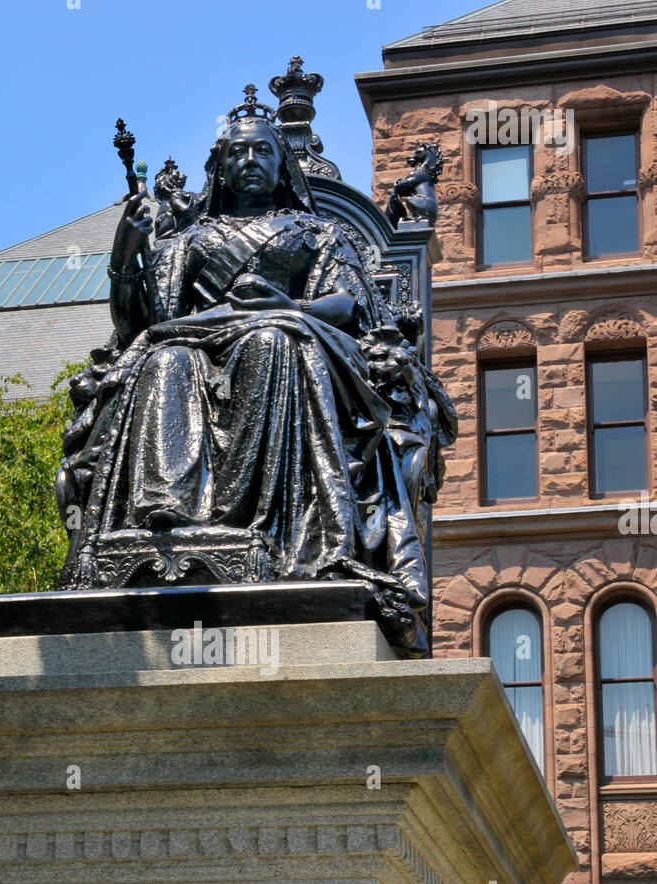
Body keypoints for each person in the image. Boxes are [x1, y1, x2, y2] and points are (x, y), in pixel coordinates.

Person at [58, 88, 446, 654]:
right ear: (219, 168)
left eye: (263, 152)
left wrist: (284, 307)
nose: (250, 162)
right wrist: (129, 246)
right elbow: (146, 320)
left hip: (282, 337)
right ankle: (166, 513)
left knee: (271, 344)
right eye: (237, 154)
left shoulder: (317, 233)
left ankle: (257, 523)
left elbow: (345, 304)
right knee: (164, 358)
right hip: (197, 344)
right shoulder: (189, 240)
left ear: (281, 163)